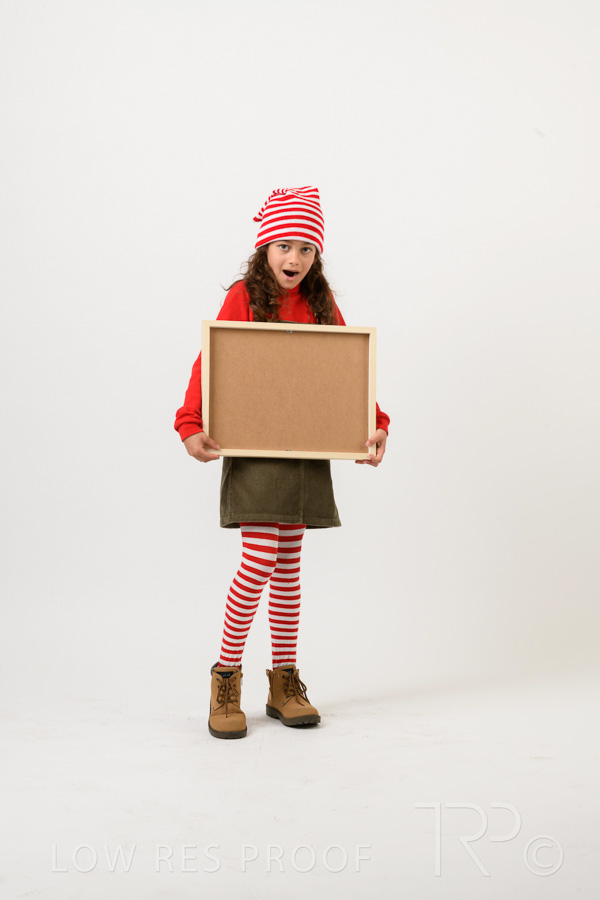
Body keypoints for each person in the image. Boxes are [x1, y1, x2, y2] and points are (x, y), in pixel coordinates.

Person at [174, 186, 390, 740]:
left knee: (289, 564)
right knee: (259, 558)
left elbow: (348, 366)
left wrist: (375, 423)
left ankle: (283, 682)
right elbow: (212, 357)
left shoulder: (321, 303)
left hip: (306, 447)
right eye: (284, 246)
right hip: (256, 447)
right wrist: (190, 421)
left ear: (317, 255)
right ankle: (226, 679)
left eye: (306, 249)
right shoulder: (245, 295)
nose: (295, 258)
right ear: (265, 248)